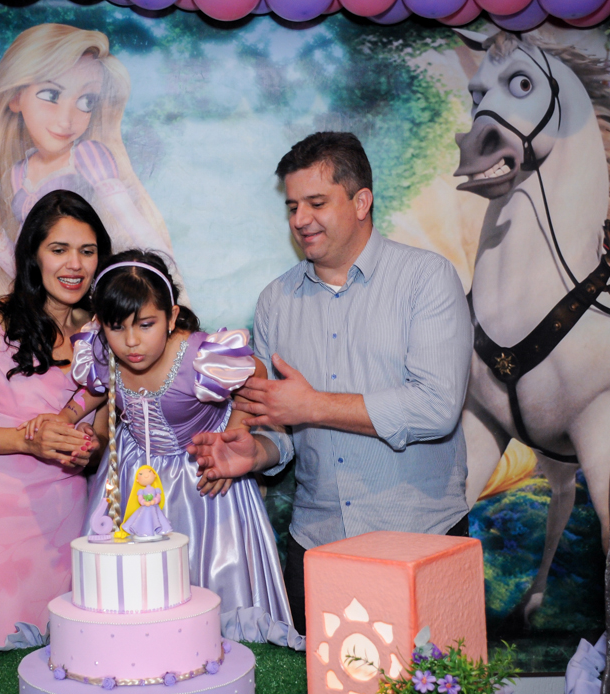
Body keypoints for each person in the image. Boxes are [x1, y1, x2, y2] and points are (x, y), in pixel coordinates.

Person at [188, 132, 472, 635]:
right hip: (316, 546)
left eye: (316, 203)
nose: (300, 220)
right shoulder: (276, 300)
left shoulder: (427, 279)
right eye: (293, 205)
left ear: (361, 201)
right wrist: (255, 453)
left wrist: (313, 406)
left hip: (419, 541)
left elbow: (436, 408)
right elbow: (283, 428)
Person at [29, 251, 300, 648]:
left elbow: (254, 377)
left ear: (172, 317)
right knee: (132, 598)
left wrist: (233, 437)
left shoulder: (203, 357)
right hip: (131, 485)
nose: (132, 341)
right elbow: (97, 387)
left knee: (205, 602)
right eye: (116, 327)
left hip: (203, 488)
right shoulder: (106, 352)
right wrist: (66, 415)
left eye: (147, 324)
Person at [0, 23, 184, 304]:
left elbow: (135, 226)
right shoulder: (17, 176)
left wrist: (166, 281)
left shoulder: (88, 157)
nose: (66, 119)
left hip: (92, 312)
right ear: (16, 97)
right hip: (48, 317)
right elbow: (25, 272)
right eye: (51, 95)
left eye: (86, 101)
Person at [0, 190, 111, 651]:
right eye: (59, 250)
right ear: (33, 255)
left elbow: (104, 434)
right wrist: (23, 440)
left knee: (64, 654)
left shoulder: (105, 336)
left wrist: (89, 447)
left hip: (67, 525)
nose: (74, 264)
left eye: (87, 251)